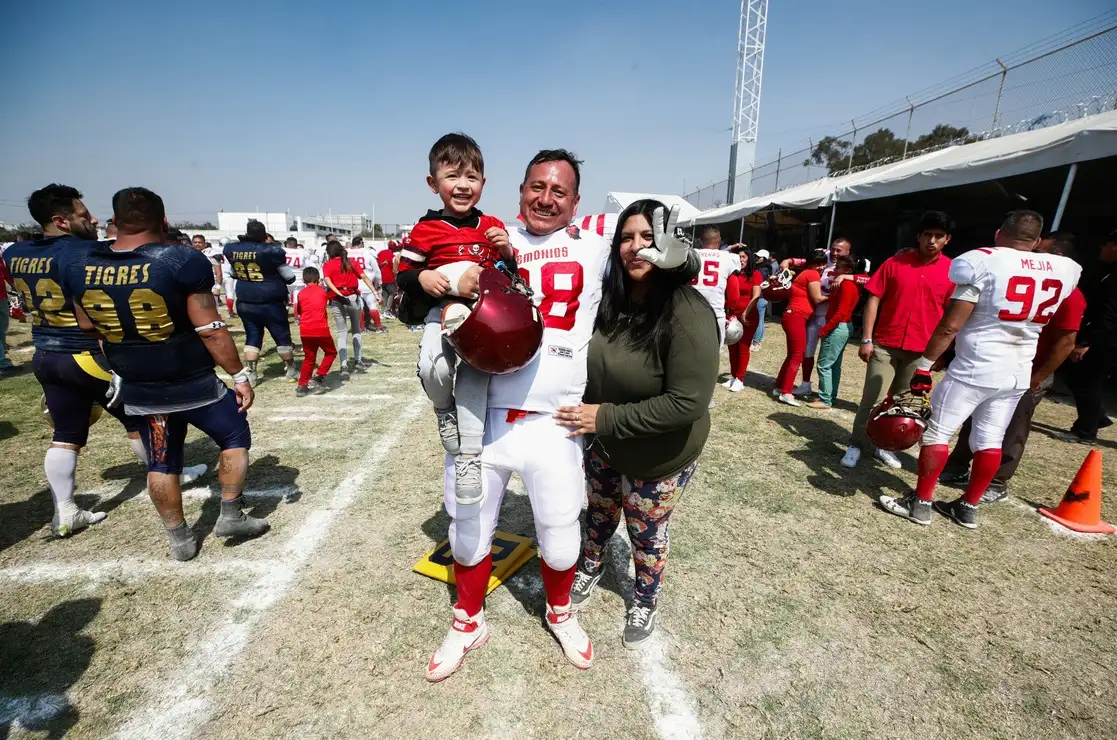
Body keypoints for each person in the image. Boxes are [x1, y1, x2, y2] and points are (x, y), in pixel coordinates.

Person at [424, 150, 697, 681]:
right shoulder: (487, 235)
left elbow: (662, 249)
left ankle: (560, 611)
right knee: (467, 524)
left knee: (558, 526)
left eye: (559, 191)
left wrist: (675, 254)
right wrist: (423, 284)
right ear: (520, 189)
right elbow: (419, 274)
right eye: (535, 187)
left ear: (576, 201)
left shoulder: (594, 237)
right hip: (486, 415)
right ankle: (467, 619)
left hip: (556, 419)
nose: (545, 199)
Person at [59, 187, 262, 559]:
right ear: (164, 221)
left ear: (115, 222)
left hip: (139, 384)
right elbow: (210, 330)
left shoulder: (77, 265)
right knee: (234, 435)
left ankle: (179, 538)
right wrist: (239, 375)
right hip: (192, 380)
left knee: (161, 460)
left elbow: (89, 325)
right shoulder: (181, 260)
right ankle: (231, 515)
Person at [555, 199, 714, 646]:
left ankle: (646, 596)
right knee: (600, 515)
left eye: (648, 237)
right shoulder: (609, 300)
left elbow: (687, 402)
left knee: (645, 534)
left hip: (659, 453)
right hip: (606, 444)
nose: (636, 247)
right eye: (627, 237)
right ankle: (591, 564)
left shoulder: (687, 310)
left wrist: (603, 416)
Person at [3, 184, 203, 536]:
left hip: (46, 353)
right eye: (83, 214)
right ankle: (169, 471)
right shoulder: (83, 253)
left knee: (66, 435)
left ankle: (64, 509)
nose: (92, 219)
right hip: (89, 352)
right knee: (144, 417)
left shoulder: (15, 252)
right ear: (60, 221)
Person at [879, 210, 1081, 529]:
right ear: (1038, 241)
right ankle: (968, 506)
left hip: (977, 365)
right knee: (990, 439)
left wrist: (926, 365)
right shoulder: (1063, 268)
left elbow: (950, 326)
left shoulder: (982, 261)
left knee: (938, 433)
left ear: (999, 232)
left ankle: (920, 503)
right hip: (1018, 367)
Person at [396, 133, 513, 506]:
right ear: (433, 183)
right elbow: (402, 275)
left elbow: (508, 274)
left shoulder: (492, 225)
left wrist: (507, 251)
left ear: (483, 183)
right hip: (439, 312)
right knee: (434, 369)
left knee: (476, 380)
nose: (463, 185)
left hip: (482, 318)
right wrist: (422, 277)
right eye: (452, 176)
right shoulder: (424, 230)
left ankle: (469, 458)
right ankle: (443, 411)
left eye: (472, 177)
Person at [939, 235, 1084, 501]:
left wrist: (1037, 377)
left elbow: (1066, 342)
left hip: (1027, 369)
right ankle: (959, 467)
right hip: (997, 361)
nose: (1033, 258)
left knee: (1010, 429)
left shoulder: (1069, 293)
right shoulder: (1009, 275)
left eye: (1041, 252)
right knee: (978, 424)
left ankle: (996, 483)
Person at [842, 211, 956, 469]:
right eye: (927, 234)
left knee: (904, 404)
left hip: (921, 352)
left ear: (947, 239)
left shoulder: (952, 272)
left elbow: (952, 316)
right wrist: (867, 338)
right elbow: (873, 299)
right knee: (872, 399)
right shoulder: (896, 263)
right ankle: (856, 444)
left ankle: (885, 445)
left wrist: (943, 354)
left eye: (939, 236)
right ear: (919, 235)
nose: (932, 241)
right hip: (884, 344)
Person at [224, 219, 298, 384]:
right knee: (281, 335)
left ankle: (251, 373)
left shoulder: (233, 249)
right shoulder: (271, 251)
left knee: (253, 336)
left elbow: (234, 274)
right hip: (270, 301)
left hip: (245, 300)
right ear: (264, 235)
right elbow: (290, 277)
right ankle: (291, 370)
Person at [1060, 229, 1117, 444]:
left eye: (1107, 244)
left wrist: (1087, 343)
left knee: (1087, 381)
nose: (1102, 249)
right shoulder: (1107, 272)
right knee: (1076, 376)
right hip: (1102, 337)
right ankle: (1096, 417)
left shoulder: (1113, 280)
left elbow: (1108, 316)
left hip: (1105, 340)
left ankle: (1085, 430)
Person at [774, 249, 827, 406]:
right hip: (796, 315)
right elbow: (818, 298)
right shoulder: (812, 274)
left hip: (793, 315)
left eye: (823, 264)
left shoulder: (806, 272)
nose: (821, 267)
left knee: (793, 354)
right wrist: (834, 296)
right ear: (811, 264)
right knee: (797, 354)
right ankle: (786, 392)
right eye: (818, 264)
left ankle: (780, 386)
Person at [809, 256, 860, 410]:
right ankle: (830, 396)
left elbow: (841, 312)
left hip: (838, 327)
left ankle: (825, 398)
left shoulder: (846, 285)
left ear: (847, 270)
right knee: (834, 365)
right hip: (844, 326)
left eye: (838, 268)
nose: (835, 270)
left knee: (824, 364)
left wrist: (825, 329)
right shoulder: (847, 285)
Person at [321, 240, 377, 379]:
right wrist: (375, 292)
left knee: (342, 333)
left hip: (337, 299)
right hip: (352, 297)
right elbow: (364, 277)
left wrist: (338, 293)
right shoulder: (350, 261)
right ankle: (358, 360)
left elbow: (327, 281)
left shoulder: (327, 264)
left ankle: (344, 364)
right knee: (356, 330)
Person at [723, 247, 764, 392]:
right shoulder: (732, 274)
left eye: (744, 257)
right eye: (739, 257)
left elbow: (756, 295)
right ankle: (733, 376)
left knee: (743, 346)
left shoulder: (755, 274)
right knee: (732, 346)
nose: (741, 260)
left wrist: (746, 312)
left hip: (748, 315)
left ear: (749, 259)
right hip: (732, 314)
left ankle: (740, 379)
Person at [692, 227, 740, 344]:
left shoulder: (691, 254)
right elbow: (734, 297)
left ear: (700, 240)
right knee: (712, 357)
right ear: (719, 240)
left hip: (689, 313)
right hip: (715, 314)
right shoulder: (728, 258)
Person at [294, 266, 336, 396]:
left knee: (309, 357)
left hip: (305, 330)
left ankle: (302, 385)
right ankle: (318, 377)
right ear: (318, 279)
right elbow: (330, 296)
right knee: (331, 352)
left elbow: (299, 311)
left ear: (303, 280)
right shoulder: (322, 291)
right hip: (320, 329)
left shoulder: (301, 293)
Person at [346, 235, 386, 334]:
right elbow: (376, 270)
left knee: (359, 306)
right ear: (360, 243)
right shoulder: (367, 252)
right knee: (372, 305)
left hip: (353, 283)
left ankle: (362, 328)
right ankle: (378, 327)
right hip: (367, 282)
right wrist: (378, 283)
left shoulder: (346, 253)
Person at [751, 248, 775, 350]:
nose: (756, 258)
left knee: (758, 320)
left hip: (759, 297)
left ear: (763, 259)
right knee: (760, 320)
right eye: (756, 256)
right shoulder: (766, 268)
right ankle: (758, 340)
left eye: (759, 257)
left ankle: (756, 342)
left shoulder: (761, 270)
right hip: (763, 297)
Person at [283, 236, 311, 311]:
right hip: (298, 279)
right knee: (297, 299)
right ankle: (297, 318)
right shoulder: (302, 251)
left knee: (284, 298)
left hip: (286, 278)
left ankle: (285, 311)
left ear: (287, 244)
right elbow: (308, 255)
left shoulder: (282, 250)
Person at [377, 240, 399, 317]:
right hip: (389, 277)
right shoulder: (393, 256)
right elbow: (394, 268)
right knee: (392, 293)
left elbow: (377, 264)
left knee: (384, 294)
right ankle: (387, 310)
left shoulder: (381, 252)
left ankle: (383, 311)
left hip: (381, 277)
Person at [0, 255, 12, 374]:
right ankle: (2, 362)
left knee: (2, 327)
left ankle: (2, 353)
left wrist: (14, 286)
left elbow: (5, 272)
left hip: (2, 296)